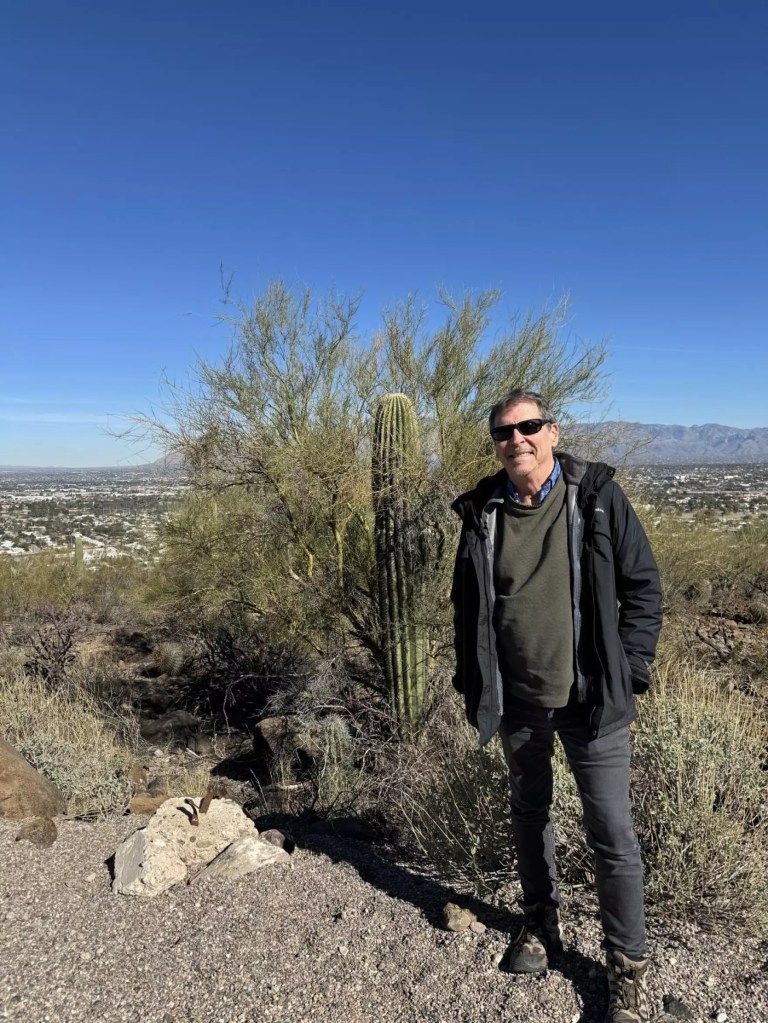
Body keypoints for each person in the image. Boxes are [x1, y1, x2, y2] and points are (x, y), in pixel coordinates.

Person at [450, 389, 662, 1023]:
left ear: (552, 430)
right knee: (529, 813)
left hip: (591, 700)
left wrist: (629, 670)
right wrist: (474, 682)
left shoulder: (595, 496)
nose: (517, 440)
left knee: (613, 836)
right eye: (503, 432)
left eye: (529, 427)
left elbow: (643, 588)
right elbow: (468, 608)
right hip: (516, 700)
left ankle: (625, 968)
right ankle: (541, 925)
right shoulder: (481, 512)